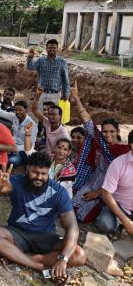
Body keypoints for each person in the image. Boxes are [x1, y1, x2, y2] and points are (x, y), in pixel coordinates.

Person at [0, 152, 86, 282]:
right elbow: (0, 190)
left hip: (45, 236)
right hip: (17, 233)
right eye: (35, 172)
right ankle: (38, 266)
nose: (39, 177)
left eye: (43, 174)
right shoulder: (16, 181)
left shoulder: (59, 193)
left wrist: (63, 259)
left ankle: (21, 257)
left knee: (79, 255)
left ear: (48, 172)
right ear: (28, 169)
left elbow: (72, 227)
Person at [70, 81, 130, 223]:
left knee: (86, 216)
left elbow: (123, 180)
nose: (108, 135)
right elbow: (87, 121)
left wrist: (97, 194)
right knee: (73, 205)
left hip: (111, 188)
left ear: (118, 131)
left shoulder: (125, 150)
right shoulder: (101, 141)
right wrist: (77, 99)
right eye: (105, 131)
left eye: (112, 132)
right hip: (95, 180)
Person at [94, 130, 133, 236]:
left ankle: (123, 226)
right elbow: (106, 195)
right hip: (119, 206)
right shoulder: (118, 164)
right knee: (105, 224)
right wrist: (126, 221)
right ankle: (122, 223)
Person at [0, 95, 37, 166]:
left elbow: (30, 145)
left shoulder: (32, 124)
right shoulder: (14, 117)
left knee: (12, 161)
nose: (17, 112)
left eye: (20, 110)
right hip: (12, 145)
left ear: (26, 110)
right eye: (16, 110)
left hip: (23, 150)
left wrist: (11, 148)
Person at [27, 39, 70, 111]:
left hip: (55, 95)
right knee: (40, 116)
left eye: (54, 48)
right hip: (41, 94)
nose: (52, 49)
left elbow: (65, 80)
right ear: (46, 49)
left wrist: (66, 93)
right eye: (50, 48)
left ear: (57, 49)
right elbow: (30, 67)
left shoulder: (62, 62)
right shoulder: (41, 60)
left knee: (54, 117)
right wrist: (30, 57)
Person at [32, 87, 69, 158]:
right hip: (46, 153)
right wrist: (38, 96)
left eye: (54, 114)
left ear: (60, 116)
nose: (50, 116)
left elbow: (62, 155)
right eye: (49, 114)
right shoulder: (47, 122)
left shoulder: (63, 134)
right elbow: (34, 110)